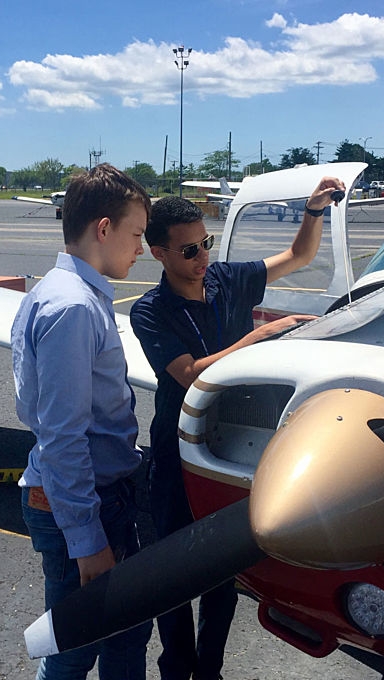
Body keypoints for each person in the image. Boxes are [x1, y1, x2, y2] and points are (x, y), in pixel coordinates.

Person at [130, 176, 345, 680]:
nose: (201, 256)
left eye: (204, 242)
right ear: (158, 253)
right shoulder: (150, 311)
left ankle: (210, 668)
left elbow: (297, 256)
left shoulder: (226, 279)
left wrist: (313, 212)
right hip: (178, 452)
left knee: (222, 570)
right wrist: (260, 336)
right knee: (173, 570)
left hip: (230, 451)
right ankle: (176, 665)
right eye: (188, 250)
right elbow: (189, 373)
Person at [12, 164, 153, 680]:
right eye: (136, 233)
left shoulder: (64, 291)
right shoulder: (72, 307)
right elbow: (62, 435)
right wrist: (87, 540)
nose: (140, 248)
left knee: (123, 630)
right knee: (75, 647)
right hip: (84, 500)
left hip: (92, 493)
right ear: (103, 228)